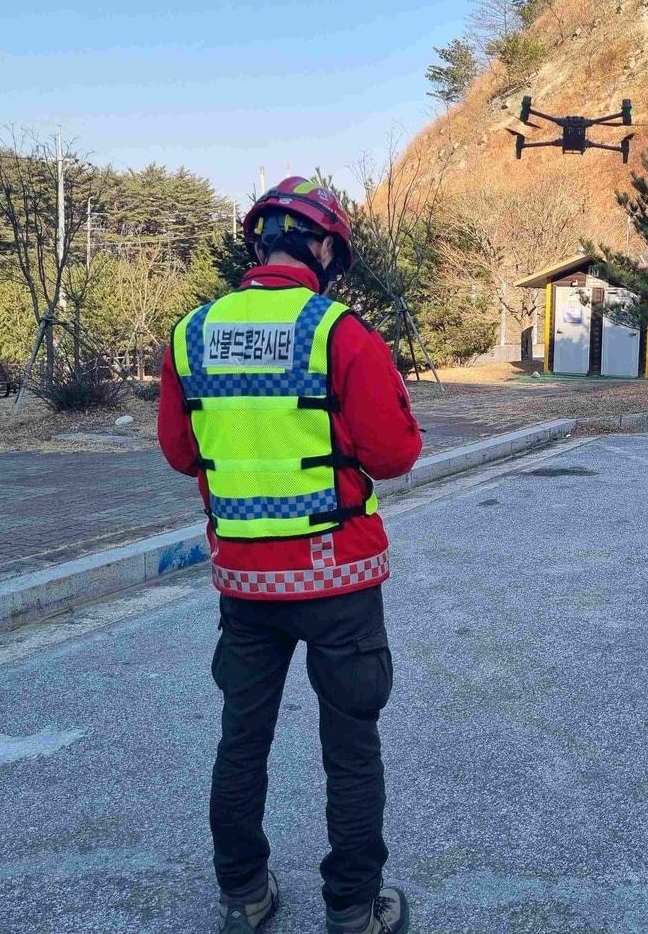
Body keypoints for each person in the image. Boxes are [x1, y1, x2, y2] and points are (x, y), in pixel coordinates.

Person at [157, 176, 422, 934]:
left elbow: (182, 452)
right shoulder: (339, 333)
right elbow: (394, 453)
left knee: (243, 736)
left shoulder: (191, 333)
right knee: (351, 746)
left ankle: (243, 895)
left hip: (244, 583)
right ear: (327, 248)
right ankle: (352, 907)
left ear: (257, 244)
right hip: (338, 577)